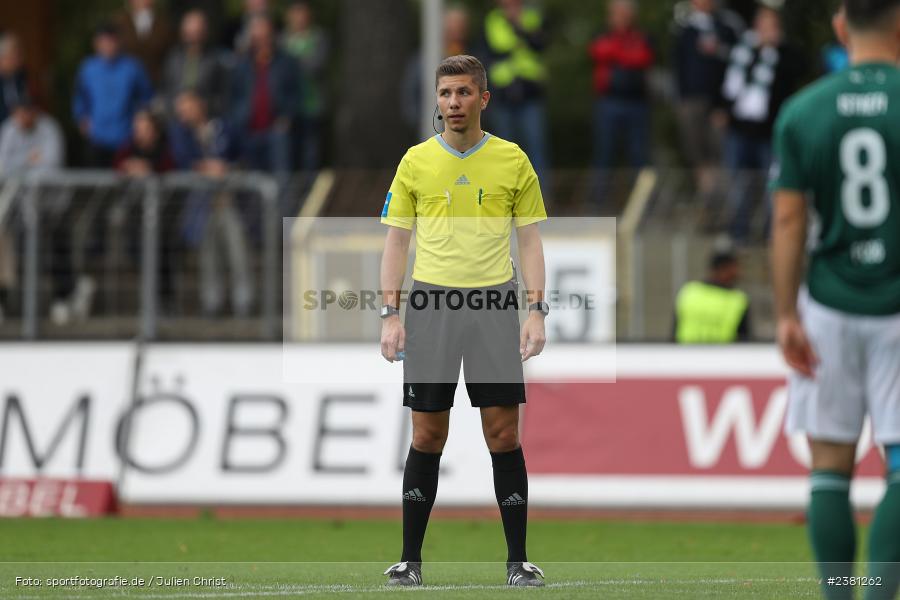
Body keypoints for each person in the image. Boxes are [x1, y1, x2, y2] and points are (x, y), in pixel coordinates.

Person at [380, 55, 548, 588]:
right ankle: (410, 560)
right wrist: (390, 312)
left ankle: (518, 561)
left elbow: (530, 237)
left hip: (495, 305)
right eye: (445, 93)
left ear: (483, 99)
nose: (453, 103)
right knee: (427, 434)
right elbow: (396, 240)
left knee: (503, 434)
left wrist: (535, 309)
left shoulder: (512, 160)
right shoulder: (414, 162)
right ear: (437, 99)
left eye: (463, 93)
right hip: (430, 306)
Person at [771, 1, 900, 598]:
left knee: (829, 466)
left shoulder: (804, 110)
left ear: (843, 27)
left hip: (827, 302)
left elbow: (790, 219)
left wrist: (785, 314)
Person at [718, 5, 804, 243]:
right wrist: (723, 110)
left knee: (771, 184)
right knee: (738, 183)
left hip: (769, 130)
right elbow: (729, 85)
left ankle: (770, 232)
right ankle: (738, 231)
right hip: (740, 128)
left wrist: (777, 48)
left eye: (771, 25)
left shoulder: (786, 54)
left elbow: (795, 77)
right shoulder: (744, 51)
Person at [169, 91, 253, 318]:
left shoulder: (223, 128)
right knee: (207, 255)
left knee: (238, 251)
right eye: (180, 108)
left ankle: (243, 301)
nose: (184, 112)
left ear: (200, 104)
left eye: (187, 106)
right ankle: (212, 302)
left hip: (228, 200)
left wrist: (228, 170)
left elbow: (243, 156)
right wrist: (209, 168)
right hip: (201, 204)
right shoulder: (180, 133)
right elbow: (183, 160)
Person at [672, 0, 743, 214]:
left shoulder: (727, 27)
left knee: (719, 154)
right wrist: (681, 100)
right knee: (698, 155)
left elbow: (737, 64)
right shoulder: (684, 30)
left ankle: (725, 209)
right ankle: (707, 206)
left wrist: (726, 105)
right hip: (691, 102)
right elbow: (677, 65)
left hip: (719, 105)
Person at [0, 95, 64, 323]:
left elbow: (51, 167)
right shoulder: (9, 130)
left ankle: (62, 300)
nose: (23, 117)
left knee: (57, 250)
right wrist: (30, 159)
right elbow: (3, 169)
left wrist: (22, 167)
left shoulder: (49, 129)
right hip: (16, 209)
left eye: (28, 111)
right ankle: (8, 305)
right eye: (20, 112)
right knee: (10, 248)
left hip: (49, 206)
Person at [588, 0, 654, 209]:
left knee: (639, 156)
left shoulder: (642, 36)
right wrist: (624, 53)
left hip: (637, 104)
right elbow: (598, 52)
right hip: (609, 102)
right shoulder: (601, 33)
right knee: (604, 154)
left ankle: (641, 207)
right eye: (616, 12)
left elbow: (643, 57)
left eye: (623, 12)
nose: (619, 17)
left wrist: (617, 54)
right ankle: (597, 204)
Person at [229, 14, 298, 214]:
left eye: (265, 36)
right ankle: (255, 231)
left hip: (276, 133)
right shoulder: (241, 65)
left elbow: (296, 96)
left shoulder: (287, 63)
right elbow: (233, 97)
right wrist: (238, 120)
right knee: (250, 184)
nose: (261, 41)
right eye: (256, 36)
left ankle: (282, 230)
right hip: (248, 132)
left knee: (281, 183)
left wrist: (287, 118)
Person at [482, 0, 550, 191]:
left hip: (530, 92)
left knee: (536, 145)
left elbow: (539, 45)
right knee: (505, 149)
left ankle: (541, 195)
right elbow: (493, 51)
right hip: (503, 93)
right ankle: (507, 194)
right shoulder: (492, 20)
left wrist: (518, 26)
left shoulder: (532, 16)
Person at [73, 23, 154, 167]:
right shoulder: (88, 68)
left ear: (118, 42)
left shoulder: (133, 67)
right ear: (96, 44)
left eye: (111, 42)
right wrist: (82, 119)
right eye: (103, 42)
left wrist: (140, 123)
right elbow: (80, 98)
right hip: (96, 138)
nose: (107, 46)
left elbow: (146, 98)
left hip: (126, 139)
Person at [281, 1, 330, 172]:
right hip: (290, 107)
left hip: (312, 103)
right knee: (290, 151)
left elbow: (317, 64)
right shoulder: (283, 39)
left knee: (311, 152)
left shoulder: (318, 37)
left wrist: (293, 64)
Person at [673, 249, 750, 343]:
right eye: (735, 267)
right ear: (723, 268)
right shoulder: (738, 300)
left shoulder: (689, 291)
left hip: (682, 355)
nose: (739, 272)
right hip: (723, 355)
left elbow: (674, 332)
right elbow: (745, 341)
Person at [162, 10, 227, 118]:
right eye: (189, 34)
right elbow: (164, 91)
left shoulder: (215, 61)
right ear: (183, 33)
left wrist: (200, 105)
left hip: (205, 120)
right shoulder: (173, 59)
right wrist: (176, 104)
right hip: (175, 119)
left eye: (197, 33)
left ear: (205, 33)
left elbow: (222, 97)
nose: (193, 39)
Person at [113, 0, 173, 85]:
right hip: (125, 84)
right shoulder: (119, 22)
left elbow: (169, 57)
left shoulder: (164, 25)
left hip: (156, 83)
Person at [0, 33, 28, 125]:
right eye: (14, 56)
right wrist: (13, 114)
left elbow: (28, 102)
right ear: (2, 58)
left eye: (19, 55)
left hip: (20, 125)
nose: (19, 60)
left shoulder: (21, 77)